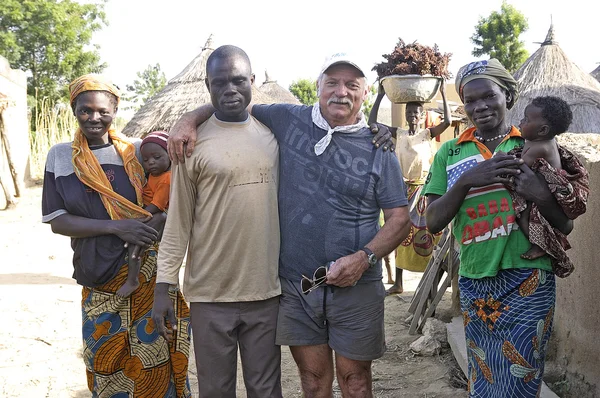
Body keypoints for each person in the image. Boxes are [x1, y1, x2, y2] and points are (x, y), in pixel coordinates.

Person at [165, 52, 410, 397]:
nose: (341, 92)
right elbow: (232, 103)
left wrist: (364, 258)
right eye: (332, 83)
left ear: (365, 93)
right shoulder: (287, 118)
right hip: (298, 286)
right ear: (318, 87)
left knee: (355, 381)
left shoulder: (377, 146)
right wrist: (187, 119)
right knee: (312, 379)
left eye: (352, 85)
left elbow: (401, 218)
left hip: (357, 285)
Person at [422, 59, 584, 397]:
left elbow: (565, 223)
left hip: (527, 277)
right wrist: (467, 180)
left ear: (507, 96)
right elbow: (433, 220)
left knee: (519, 377)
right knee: (484, 375)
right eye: (470, 100)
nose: (479, 107)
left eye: (489, 96)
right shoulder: (450, 152)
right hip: (474, 278)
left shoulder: (533, 144)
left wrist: (538, 192)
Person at [41, 74, 191, 397]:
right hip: (98, 275)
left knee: (156, 362)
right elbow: (57, 220)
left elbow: (172, 191)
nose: (94, 118)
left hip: (149, 276)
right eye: (85, 110)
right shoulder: (60, 157)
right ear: (74, 109)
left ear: (115, 110)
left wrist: (158, 220)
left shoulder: (138, 152)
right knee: (105, 363)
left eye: (102, 111)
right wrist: (114, 226)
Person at [152, 45, 283, 397]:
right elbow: (178, 221)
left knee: (266, 388)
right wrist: (164, 284)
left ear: (252, 81)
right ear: (207, 86)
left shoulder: (274, 136)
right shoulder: (190, 145)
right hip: (210, 294)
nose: (230, 90)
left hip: (265, 291)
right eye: (220, 82)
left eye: (239, 80)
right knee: (216, 389)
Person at [369, 81, 451, 294]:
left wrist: (442, 92)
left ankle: (430, 284)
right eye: (410, 112)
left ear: (422, 115)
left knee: (426, 236)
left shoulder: (427, 135)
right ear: (405, 115)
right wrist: (379, 96)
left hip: (423, 192)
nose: (413, 115)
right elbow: (372, 123)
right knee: (400, 236)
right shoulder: (400, 134)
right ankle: (398, 283)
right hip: (402, 192)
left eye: (416, 112)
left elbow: (449, 121)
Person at [510, 96, 588, 277]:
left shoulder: (540, 147)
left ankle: (541, 245)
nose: (520, 122)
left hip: (549, 192)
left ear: (542, 130)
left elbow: (521, 167)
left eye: (526, 119)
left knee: (522, 215)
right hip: (541, 189)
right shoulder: (537, 140)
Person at [117, 130, 171, 297]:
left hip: (157, 215)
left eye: (157, 157)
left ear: (170, 155)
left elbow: (157, 206)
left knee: (135, 243)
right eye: (146, 160)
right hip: (151, 213)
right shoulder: (154, 175)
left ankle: (132, 280)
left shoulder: (167, 179)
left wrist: (137, 219)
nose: (151, 163)